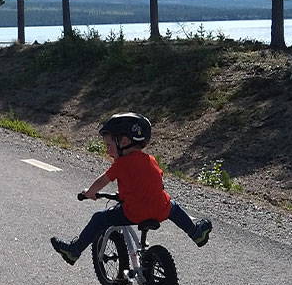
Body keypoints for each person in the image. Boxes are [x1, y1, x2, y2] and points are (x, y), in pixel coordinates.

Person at [51, 112, 211, 264]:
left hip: (134, 213)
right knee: (173, 207)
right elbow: (157, 183)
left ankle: (74, 250)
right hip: (161, 209)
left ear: (124, 141)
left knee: (99, 219)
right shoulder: (151, 160)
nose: (107, 150)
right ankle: (195, 233)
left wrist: (90, 192)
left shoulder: (120, 164)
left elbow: (103, 180)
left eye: (109, 145)